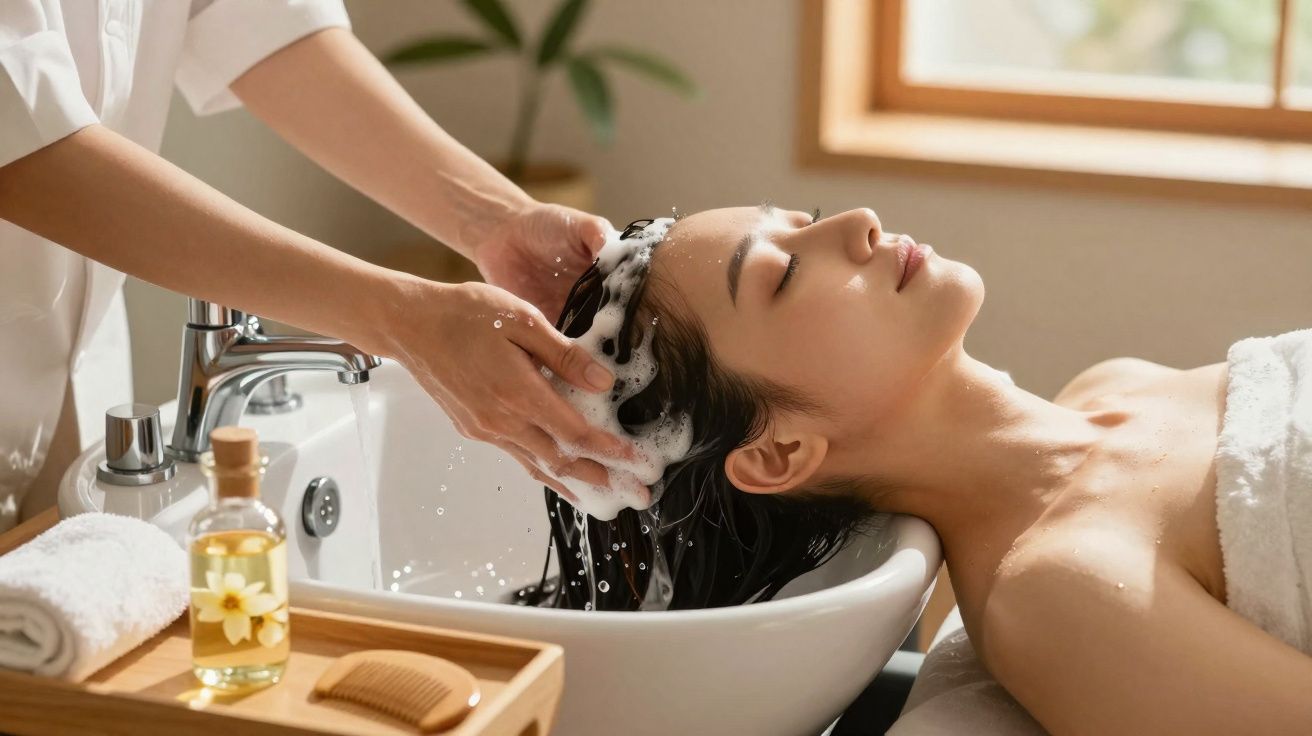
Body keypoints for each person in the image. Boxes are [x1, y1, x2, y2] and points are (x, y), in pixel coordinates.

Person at [538, 205, 1312, 733]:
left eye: (803, 222)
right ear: (778, 453)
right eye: (783, 273)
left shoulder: (1117, 381)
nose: (858, 223)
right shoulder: (1052, 594)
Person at [0, 1, 628, 531]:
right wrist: (401, 319)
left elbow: (260, 19)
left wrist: (497, 222)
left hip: (78, 379)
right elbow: (22, 146)